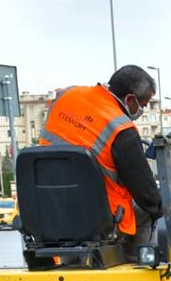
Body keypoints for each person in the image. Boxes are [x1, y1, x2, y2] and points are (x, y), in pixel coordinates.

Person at [39, 65, 162, 248]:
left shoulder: (66, 95)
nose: (141, 110)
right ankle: (137, 266)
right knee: (148, 212)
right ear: (130, 100)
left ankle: (72, 260)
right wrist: (163, 207)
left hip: (52, 212)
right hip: (100, 222)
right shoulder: (121, 129)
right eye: (142, 105)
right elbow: (147, 195)